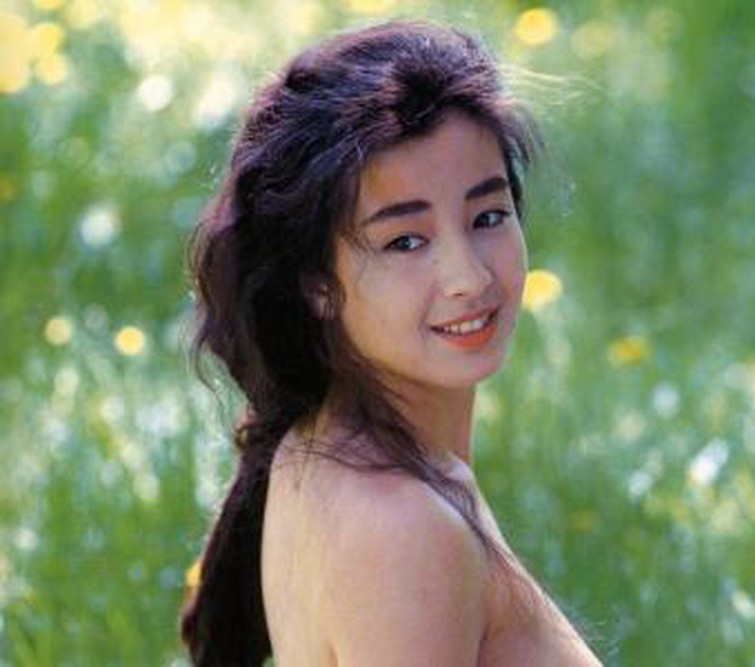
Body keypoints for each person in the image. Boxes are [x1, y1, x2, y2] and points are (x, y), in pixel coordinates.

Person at [179, 20, 602, 666]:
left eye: (488, 216)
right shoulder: (404, 526)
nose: (469, 277)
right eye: (405, 241)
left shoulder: (328, 446)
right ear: (317, 282)